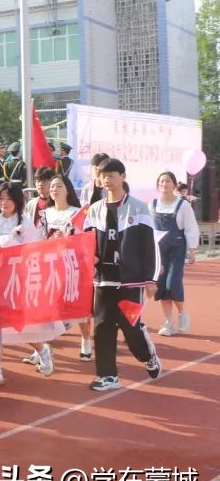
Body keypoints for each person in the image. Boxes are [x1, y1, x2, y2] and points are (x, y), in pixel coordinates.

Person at [83, 158, 162, 391]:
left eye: (111, 175)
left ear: (123, 177)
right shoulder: (94, 209)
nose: (107, 180)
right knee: (102, 326)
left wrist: (151, 279)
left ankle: (148, 356)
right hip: (103, 278)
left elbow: (149, 245)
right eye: (103, 176)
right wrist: (91, 258)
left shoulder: (138, 207)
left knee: (130, 328)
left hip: (131, 279)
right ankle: (108, 376)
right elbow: (87, 242)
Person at [0, 182, 60, 377]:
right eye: (1, 198)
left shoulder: (24, 224)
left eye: (8, 198)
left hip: (15, 282)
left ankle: (41, 349)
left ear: (17, 201)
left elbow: (34, 252)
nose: (4, 203)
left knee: (18, 323)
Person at [41, 174, 93, 361]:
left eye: (59, 186)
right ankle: (42, 346)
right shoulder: (44, 213)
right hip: (49, 263)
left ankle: (86, 340)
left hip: (72, 263)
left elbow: (84, 238)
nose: (54, 189)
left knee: (79, 304)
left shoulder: (77, 213)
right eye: (52, 186)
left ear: (68, 190)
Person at [149, 171, 199, 337]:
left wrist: (192, 250)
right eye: (161, 181)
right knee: (162, 286)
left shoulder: (182, 205)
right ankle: (169, 322)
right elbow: (148, 228)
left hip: (176, 249)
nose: (164, 184)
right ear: (158, 185)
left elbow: (191, 227)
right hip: (158, 251)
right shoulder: (152, 204)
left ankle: (182, 313)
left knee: (173, 283)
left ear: (174, 184)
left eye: (168, 181)